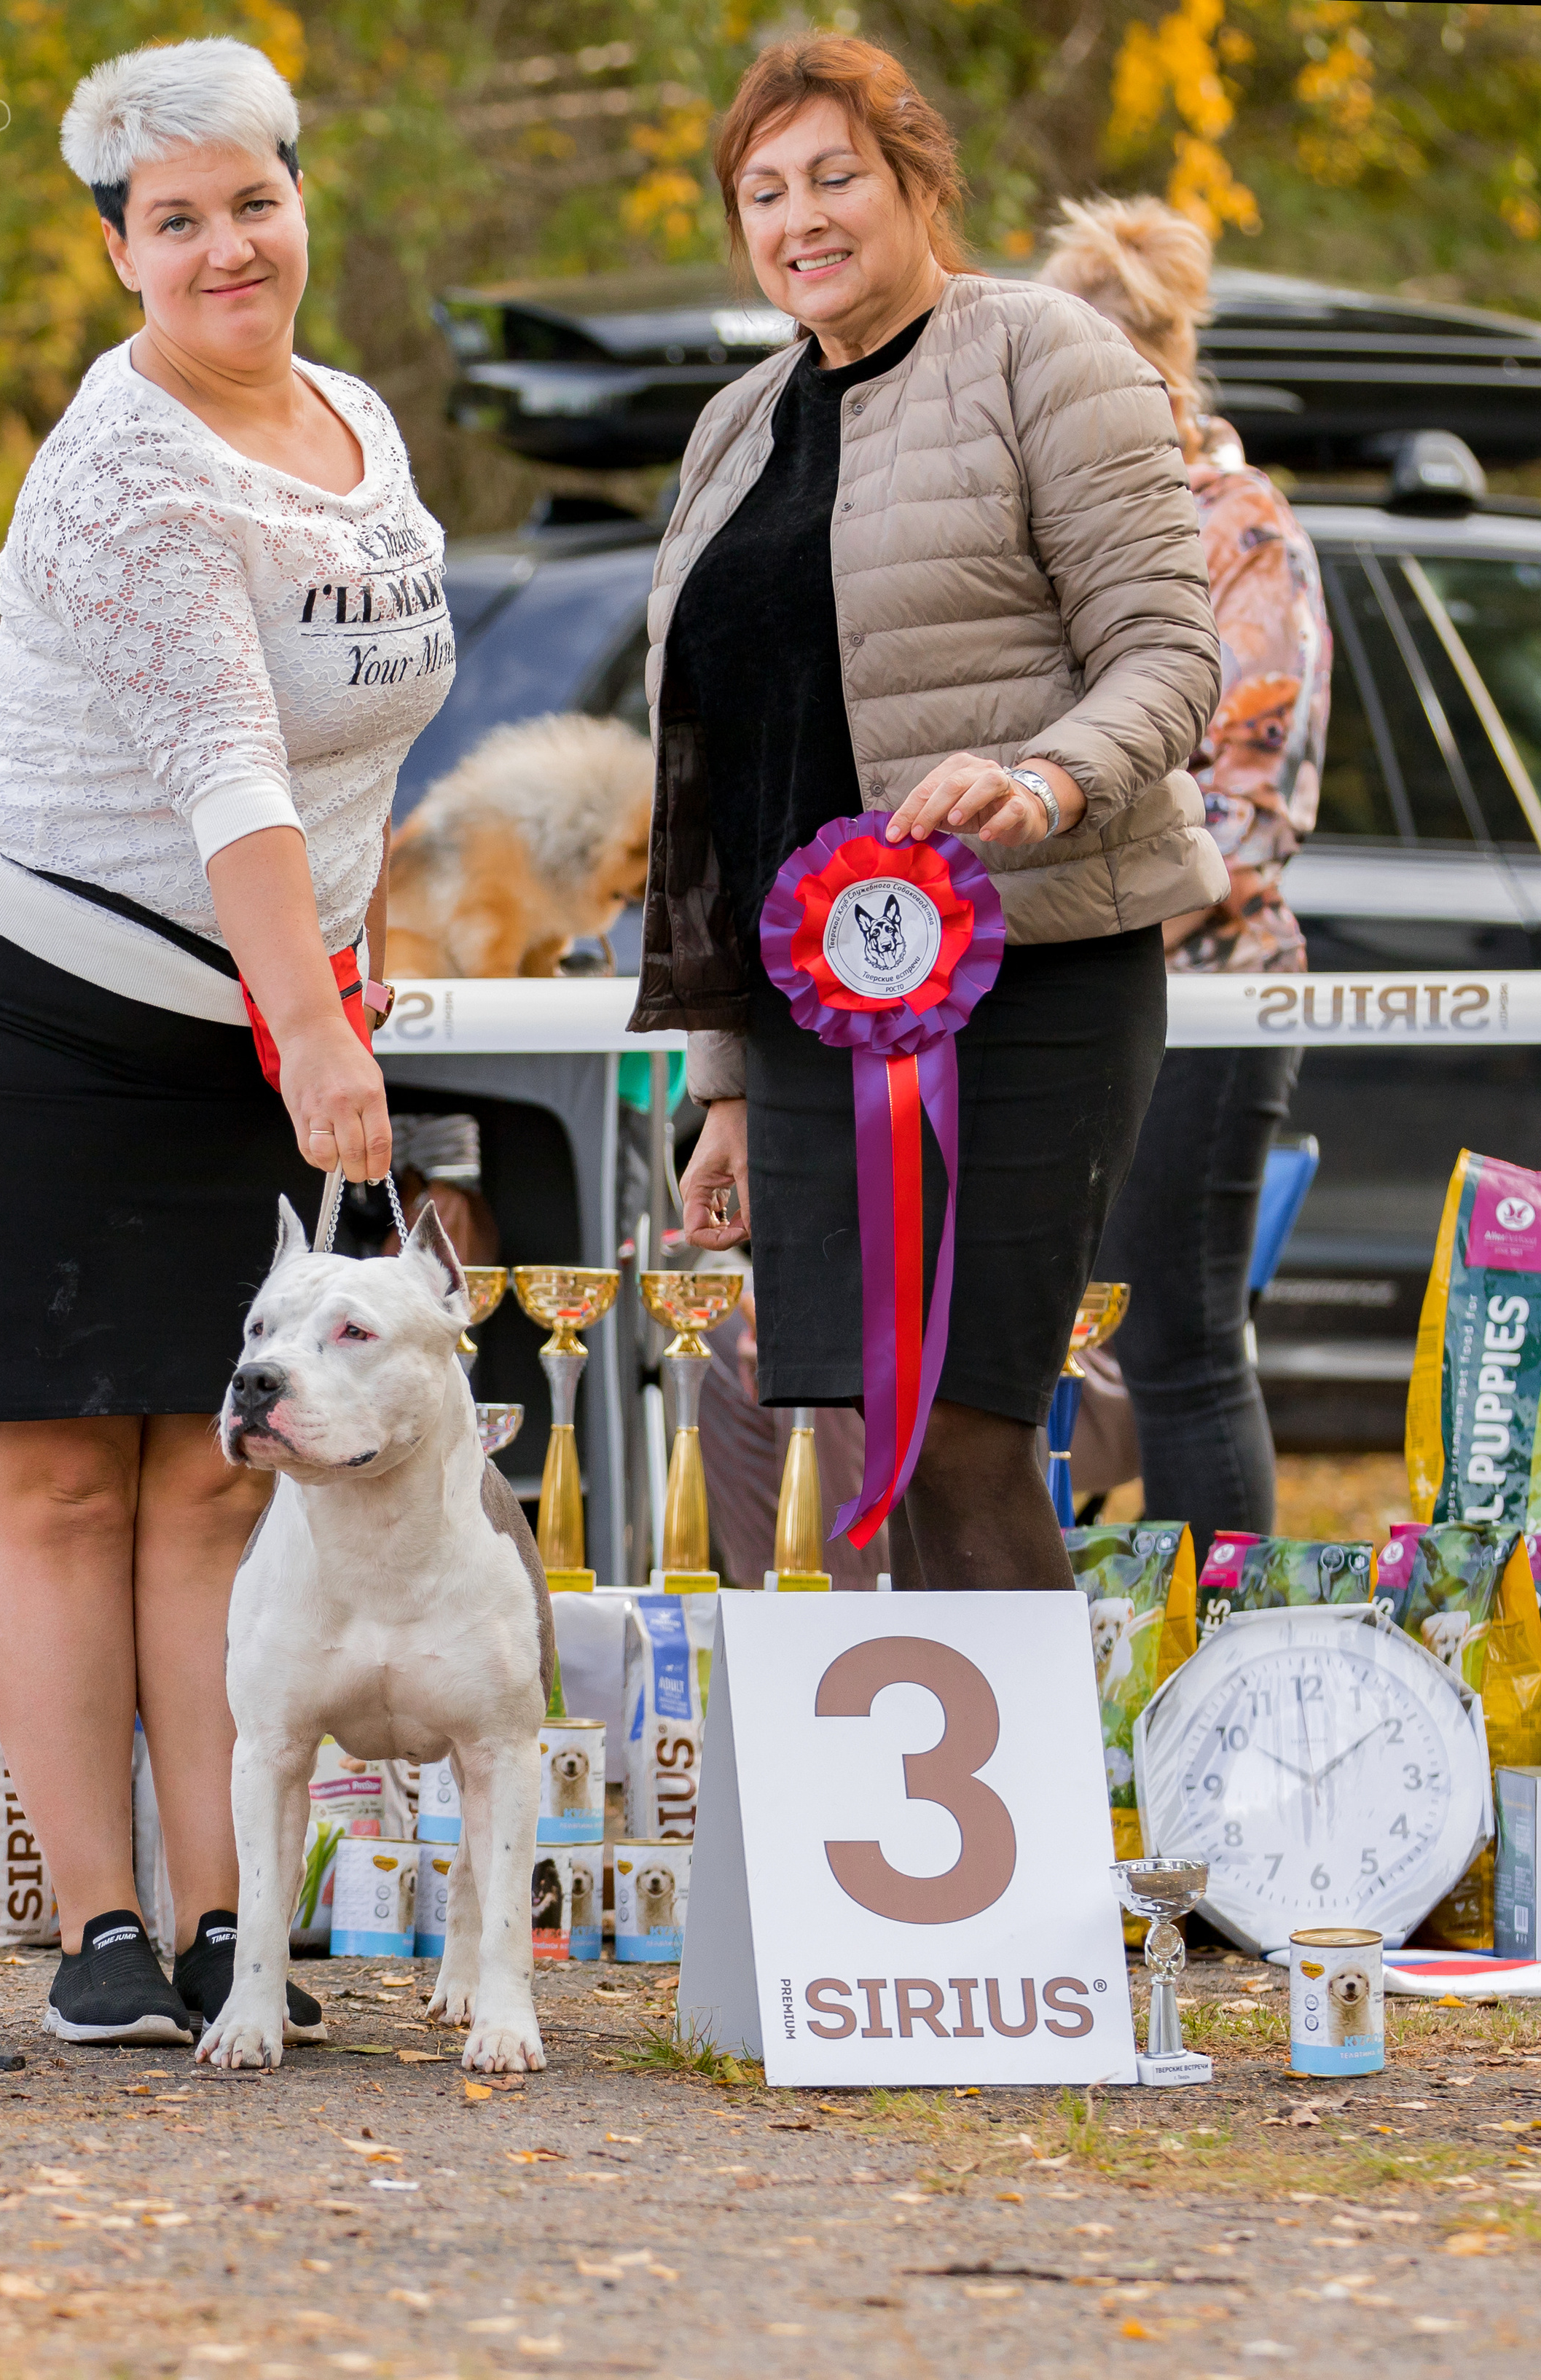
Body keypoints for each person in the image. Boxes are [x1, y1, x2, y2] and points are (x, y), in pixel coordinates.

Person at [0, 36, 453, 2043]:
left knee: (222, 1478)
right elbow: (228, 769)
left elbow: (350, 761)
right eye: (178, 220)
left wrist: (335, 982)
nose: (228, 246)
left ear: (303, 202)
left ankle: (238, 1935)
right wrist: (316, 1020)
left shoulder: (358, 420)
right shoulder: (121, 461)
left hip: (256, 1002)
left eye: (255, 202)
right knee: (61, 1477)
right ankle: (99, 1932)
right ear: (119, 251)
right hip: (33, 1003)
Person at [630, 36, 1226, 1593]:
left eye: (835, 176)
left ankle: (1035, 1831)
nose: (799, 218)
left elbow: (1169, 653)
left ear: (916, 183)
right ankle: (935, 1827)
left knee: (966, 1427)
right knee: (864, 1424)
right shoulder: (730, 430)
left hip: (1027, 976)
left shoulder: (1046, 354)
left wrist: (1046, 776)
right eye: (762, 192)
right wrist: (726, 1080)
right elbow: (718, 768)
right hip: (811, 1018)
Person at [1039, 197, 1332, 1548]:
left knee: (1183, 1341)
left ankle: (1236, 1644)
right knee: (1080, 1341)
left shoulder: (1242, 525)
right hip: (1084, 980)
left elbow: (1247, 811)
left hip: (1211, 991)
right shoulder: (1066, 515)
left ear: (1149, 371)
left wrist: (1079, 922)